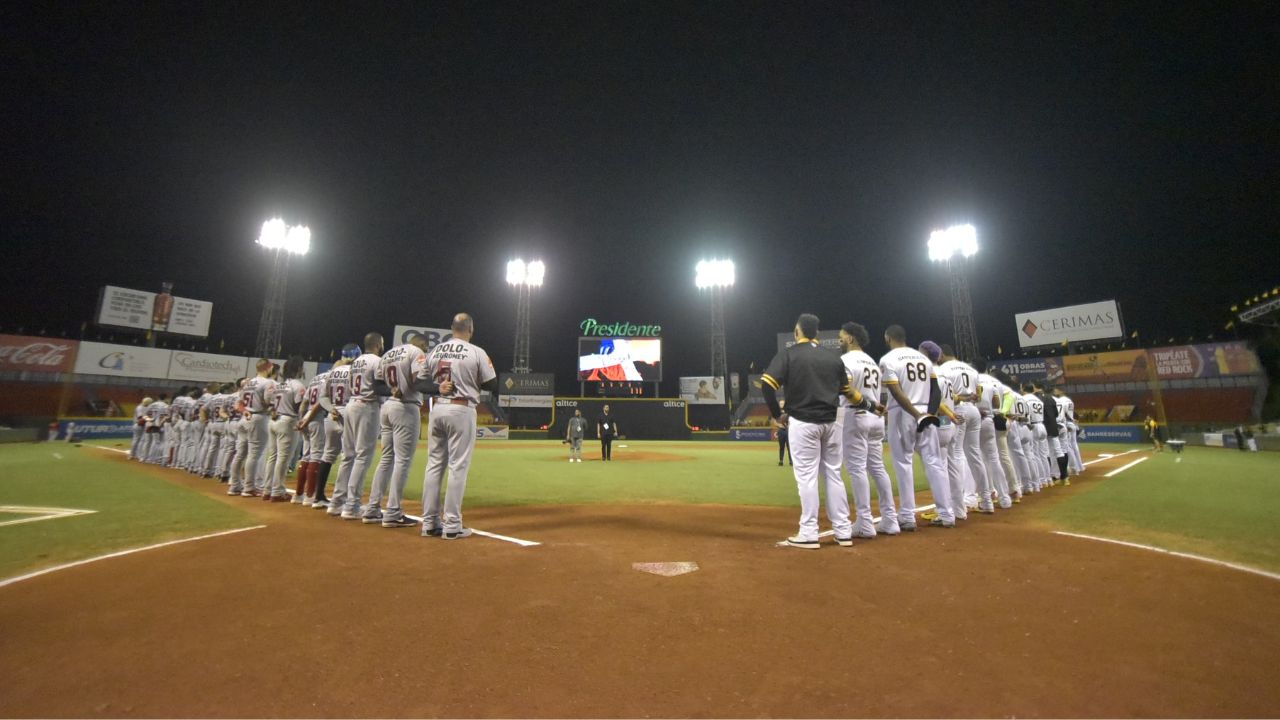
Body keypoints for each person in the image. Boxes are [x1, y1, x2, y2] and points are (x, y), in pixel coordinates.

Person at [761, 313, 879, 549]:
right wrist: (870, 405)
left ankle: (808, 532)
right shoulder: (834, 357)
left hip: (803, 421)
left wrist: (776, 415)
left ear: (798, 331)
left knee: (806, 477)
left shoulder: (789, 354)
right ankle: (843, 531)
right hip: (833, 421)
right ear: (816, 333)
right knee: (834, 474)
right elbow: (849, 392)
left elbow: (767, 384)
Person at [421, 313, 498, 540]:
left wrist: (438, 388)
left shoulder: (436, 350)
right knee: (457, 467)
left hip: (438, 409)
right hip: (461, 408)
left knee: (434, 465)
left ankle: (429, 523)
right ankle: (452, 524)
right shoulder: (476, 351)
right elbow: (491, 383)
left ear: (451, 327)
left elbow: (421, 382)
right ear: (470, 329)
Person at [363, 334, 448, 528]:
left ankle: (372, 509)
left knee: (386, 459)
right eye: (425, 346)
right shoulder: (415, 352)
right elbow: (419, 383)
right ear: (419, 343)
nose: (425, 350)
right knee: (402, 461)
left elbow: (376, 385)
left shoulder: (388, 354)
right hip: (406, 407)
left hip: (387, 407)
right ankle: (393, 512)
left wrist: (392, 390)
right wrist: (439, 388)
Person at [879, 324, 953, 530]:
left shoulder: (888, 359)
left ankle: (907, 516)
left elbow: (895, 390)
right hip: (925, 411)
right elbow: (936, 391)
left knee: (903, 463)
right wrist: (928, 413)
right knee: (934, 462)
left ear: (888, 338)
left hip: (903, 411)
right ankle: (947, 514)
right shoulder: (923, 359)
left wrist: (915, 414)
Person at [837, 321, 896, 537]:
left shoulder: (846, 360)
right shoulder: (871, 361)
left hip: (856, 414)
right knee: (878, 468)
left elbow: (847, 388)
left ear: (851, 338)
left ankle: (864, 522)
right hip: (876, 417)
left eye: (842, 336)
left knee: (856, 469)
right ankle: (890, 520)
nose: (839, 340)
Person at [938, 345, 995, 514]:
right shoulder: (971, 369)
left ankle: (963, 500)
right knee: (975, 455)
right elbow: (978, 394)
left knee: (956, 455)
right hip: (974, 410)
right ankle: (986, 500)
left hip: (958, 410)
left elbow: (946, 395)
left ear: (942, 354)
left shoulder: (943, 369)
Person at [336, 333, 385, 520]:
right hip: (367, 406)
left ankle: (337, 501)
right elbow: (380, 388)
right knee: (363, 456)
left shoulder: (354, 362)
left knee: (348, 455)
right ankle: (352, 505)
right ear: (378, 344)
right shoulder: (377, 361)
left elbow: (348, 386)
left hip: (351, 405)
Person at [262, 356, 305, 502]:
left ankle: (267, 489)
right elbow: (299, 407)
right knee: (283, 459)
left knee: (272, 457)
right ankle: (277, 491)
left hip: (274, 420)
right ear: (298, 369)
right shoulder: (298, 385)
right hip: (287, 421)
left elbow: (271, 404)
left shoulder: (279, 385)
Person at [230, 361, 274, 497]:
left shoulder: (248, 382)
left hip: (244, 418)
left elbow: (238, 404)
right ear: (267, 367)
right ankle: (249, 487)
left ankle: (234, 485)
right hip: (258, 418)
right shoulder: (267, 383)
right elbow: (269, 402)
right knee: (254, 454)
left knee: (240, 454)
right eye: (271, 366)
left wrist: (245, 411)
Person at [774, 402, 790, 466]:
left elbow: (792, 420)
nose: (781, 404)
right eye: (780, 403)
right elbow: (774, 421)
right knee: (781, 447)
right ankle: (781, 461)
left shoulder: (789, 411)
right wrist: (779, 425)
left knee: (789, 447)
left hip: (787, 430)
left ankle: (791, 461)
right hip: (781, 430)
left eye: (782, 403)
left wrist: (789, 425)